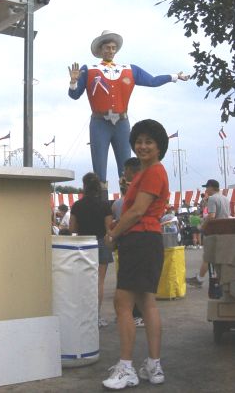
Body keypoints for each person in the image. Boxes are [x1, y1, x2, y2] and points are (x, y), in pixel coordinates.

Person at [68, 30, 189, 190]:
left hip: (121, 123)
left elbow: (152, 81)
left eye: (113, 48)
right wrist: (73, 81)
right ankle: (101, 205)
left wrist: (173, 76)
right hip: (99, 123)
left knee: (128, 168)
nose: (110, 51)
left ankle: (129, 203)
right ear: (100, 50)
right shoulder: (89, 69)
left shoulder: (129, 69)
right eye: (107, 48)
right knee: (99, 168)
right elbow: (74, 95)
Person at [102, 119, 169, 389]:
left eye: (148, 142)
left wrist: (113, 234)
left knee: (122, 304)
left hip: (140, 240)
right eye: (139, 141)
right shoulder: (146, 172)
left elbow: (138, 210)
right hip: (148, 241)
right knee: (147, 303)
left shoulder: (153, 172)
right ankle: (153, 365)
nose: (142, 146)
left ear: (159, 146)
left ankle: (127, 368)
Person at [69, 172, 113, 327]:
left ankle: (83, 315)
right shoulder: (104, 205)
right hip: (100, 243)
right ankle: (96, 316)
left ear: (84, 186)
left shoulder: (77, 205)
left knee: (84, 280)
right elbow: (109, 228)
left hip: (82, 243)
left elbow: (72, 228)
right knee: (99, 282)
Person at [112, 157, 145, 328]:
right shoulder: (144, 192)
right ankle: (136, 315)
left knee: (127, 284)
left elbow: (132, 215)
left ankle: (130, 315)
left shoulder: (123, 201)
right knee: (139, 286)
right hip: (141, 242)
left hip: (130, 241)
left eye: (125, 171)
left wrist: (113, 234)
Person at [187, 179, 231, 288]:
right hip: (226, 232)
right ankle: (224, 280)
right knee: (223, 258)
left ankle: (200, 279)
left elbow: (212, 216)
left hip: (215, 231)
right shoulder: (226, 199)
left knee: (208, 257)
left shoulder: (212, 199)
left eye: (207, 187)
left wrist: (203, 226)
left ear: (211, 187)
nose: (206, 190)